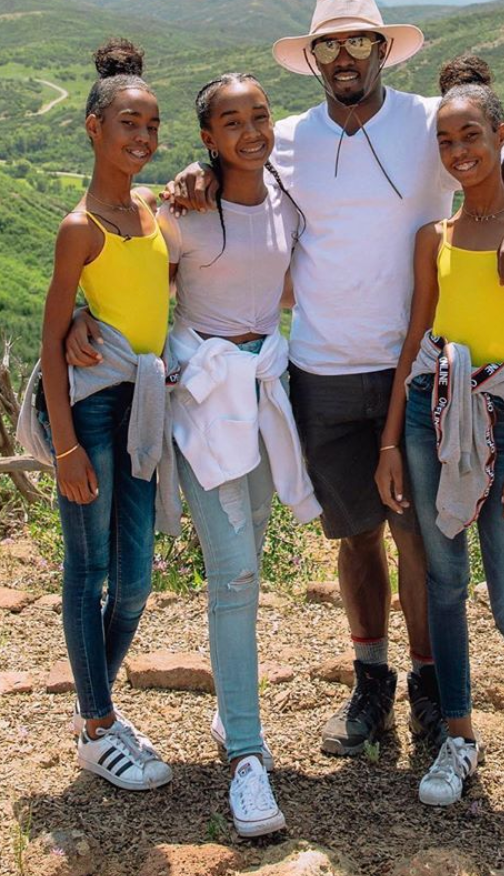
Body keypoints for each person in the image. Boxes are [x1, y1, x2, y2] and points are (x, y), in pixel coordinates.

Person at [158, 0, 504, 758]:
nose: (344, 59)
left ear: (384, 49)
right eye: (329, 47)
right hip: (321, 369)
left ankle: (430, 686)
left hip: (418, 372)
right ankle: (371, 680)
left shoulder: (428, 121)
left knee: (419, 537)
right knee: (355, 536)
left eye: (359, 44)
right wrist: (193, 174)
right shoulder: (285, 139)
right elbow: (224, 168)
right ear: (313, 59)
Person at [374, 77, 504, 819]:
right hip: (430, 414)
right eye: (447, 140)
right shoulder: (432, 239)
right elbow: (415, 341)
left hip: (501, 420)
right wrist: (391, 440)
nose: (459, 151)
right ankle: (458, 736)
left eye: (472, 136)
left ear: (501, 136)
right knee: (444, 583)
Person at [158, 72, 321, 837]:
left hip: (262, 391)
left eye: (260, 115)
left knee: (248, 555)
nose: (252, 131)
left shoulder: (287, 196)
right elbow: (138, 282)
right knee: (235, 573)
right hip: (206, 396)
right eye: (232, 121)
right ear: (207, 137)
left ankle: (231, 712)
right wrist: (86, 321)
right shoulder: (184, 210)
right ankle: (248, 759)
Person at [34, 39, 178, 792]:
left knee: (134, 580)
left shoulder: (150, 210)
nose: (142, 138)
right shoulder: (80, 227)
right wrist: (64, 448)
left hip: (143, 409)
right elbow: (51, 338)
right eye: (129, 124)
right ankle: (96, 725)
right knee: (88, 569)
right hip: (93, 412)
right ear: (94, 127)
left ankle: (97, 707)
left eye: (151, 126)